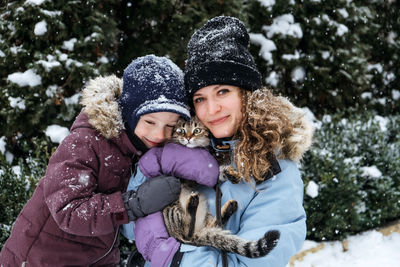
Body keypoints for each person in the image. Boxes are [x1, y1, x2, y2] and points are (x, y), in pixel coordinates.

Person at [0, 55, 217, 266]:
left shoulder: (144, 148)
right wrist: (133, 204)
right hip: (41, 259)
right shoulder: (86, 143)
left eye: (170, 126)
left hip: (97, 258)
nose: (160, 134)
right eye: (150, 121)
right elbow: (69, 211)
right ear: (130, 114)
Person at [132, 16, 314, 267]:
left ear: (245, 93)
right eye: (199, 98)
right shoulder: (188, 148)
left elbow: (251, 262)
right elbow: (129, 229)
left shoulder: (274, 170)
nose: (211, 109)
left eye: (222, 92)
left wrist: (175, 257)